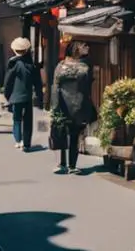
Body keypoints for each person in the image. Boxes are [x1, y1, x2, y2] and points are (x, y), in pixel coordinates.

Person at [51, 40, 96, 174]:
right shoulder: (82, 66)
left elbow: (56, 85)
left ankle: (67, 164)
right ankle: (67, 164)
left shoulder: (63, 65)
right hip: (71, 102)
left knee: (69, 134)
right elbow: (56, 85)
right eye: (84, 45)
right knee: (69, 134)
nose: (87, 47)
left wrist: (54, 105)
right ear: (76, 49)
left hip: (70, 102)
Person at [3, 38, 43, 151]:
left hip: (15, 97)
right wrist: (39, 96)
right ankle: (26, 143)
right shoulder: (31, 64)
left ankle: (18, 140)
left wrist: (7, 94)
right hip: (28, 96)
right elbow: (38, 82)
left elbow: (8, 81)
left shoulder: (13, 63)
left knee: (16, 119)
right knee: (28, 120)